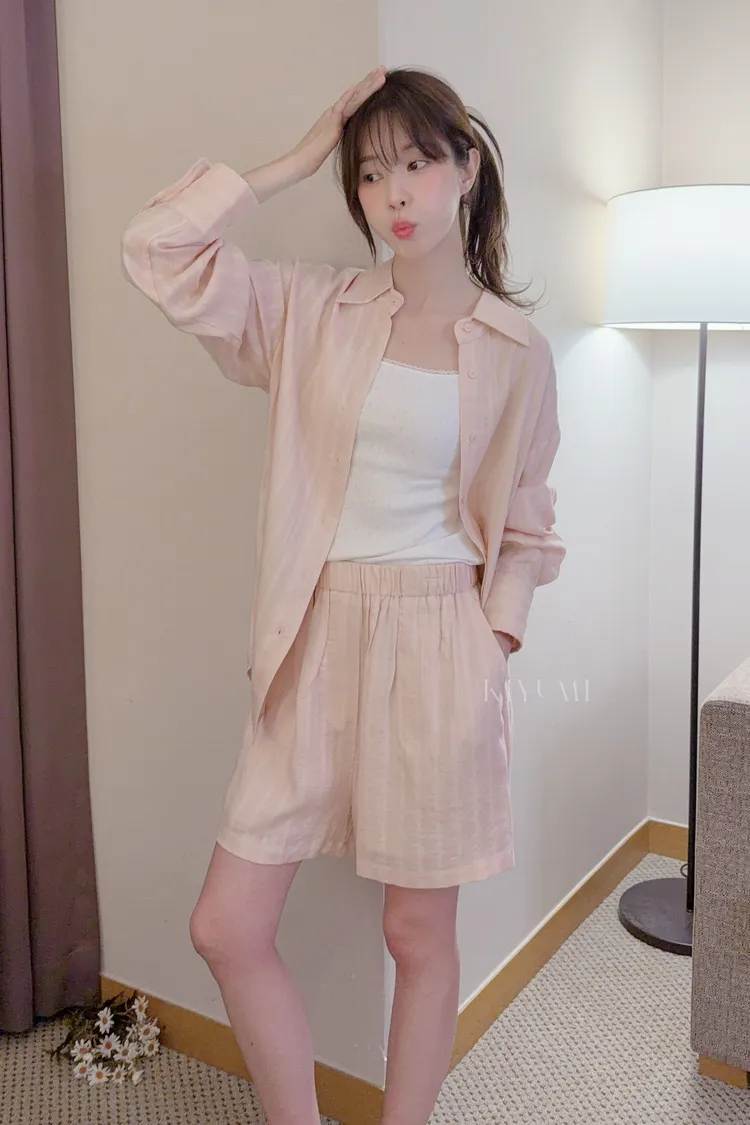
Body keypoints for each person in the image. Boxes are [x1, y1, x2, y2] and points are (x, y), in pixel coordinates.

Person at [121, 65, 565, 1125]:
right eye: (368, 173)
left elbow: (529, 524)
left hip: (442, 639)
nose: (394, 193)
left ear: (467, 168)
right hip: (315, 636)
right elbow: (156, 250)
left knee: (417, 934)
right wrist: (294, 158)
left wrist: (494, 638)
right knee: (227, 925)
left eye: (416, 163)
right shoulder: (312, 309)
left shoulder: (516, 352)